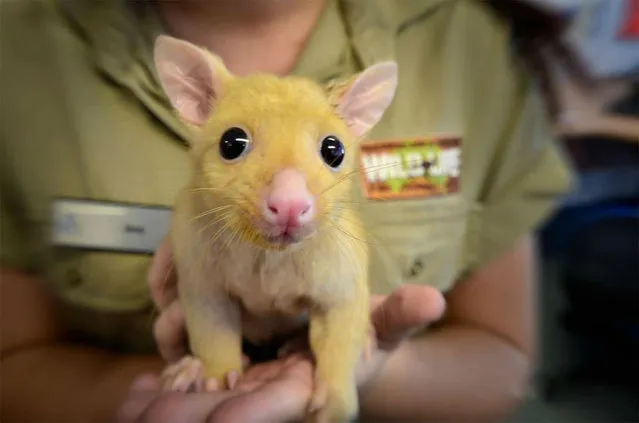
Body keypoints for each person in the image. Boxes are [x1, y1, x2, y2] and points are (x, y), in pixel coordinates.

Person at [0, 0, 587, 422]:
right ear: (196, 101)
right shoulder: (22, 45)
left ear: (356, 124)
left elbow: (504, 360)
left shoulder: (466, 38)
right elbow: (14, 366)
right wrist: (171, 383)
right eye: (234, 146)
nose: (289, 202)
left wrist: (356, 375)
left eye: (331, 151)